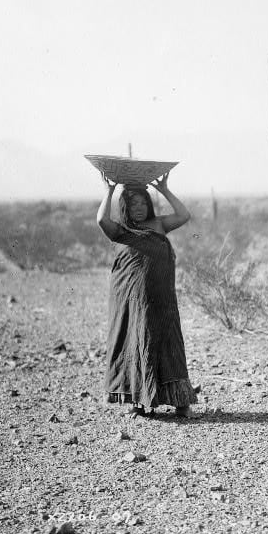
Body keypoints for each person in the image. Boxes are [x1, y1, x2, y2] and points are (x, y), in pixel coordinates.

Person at [96, 171, 198, 419]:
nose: (139, 208)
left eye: (143, 202)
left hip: (161, 298)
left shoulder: (159, 224)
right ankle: (138, 402)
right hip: (132, 301)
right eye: (133, 204)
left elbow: (184, 215)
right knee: (134, 342)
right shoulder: (120, 231)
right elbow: (101, 219)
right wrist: (109, 191)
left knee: (168, 343)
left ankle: (180, 401)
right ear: (125, 207)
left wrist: (164, 189)